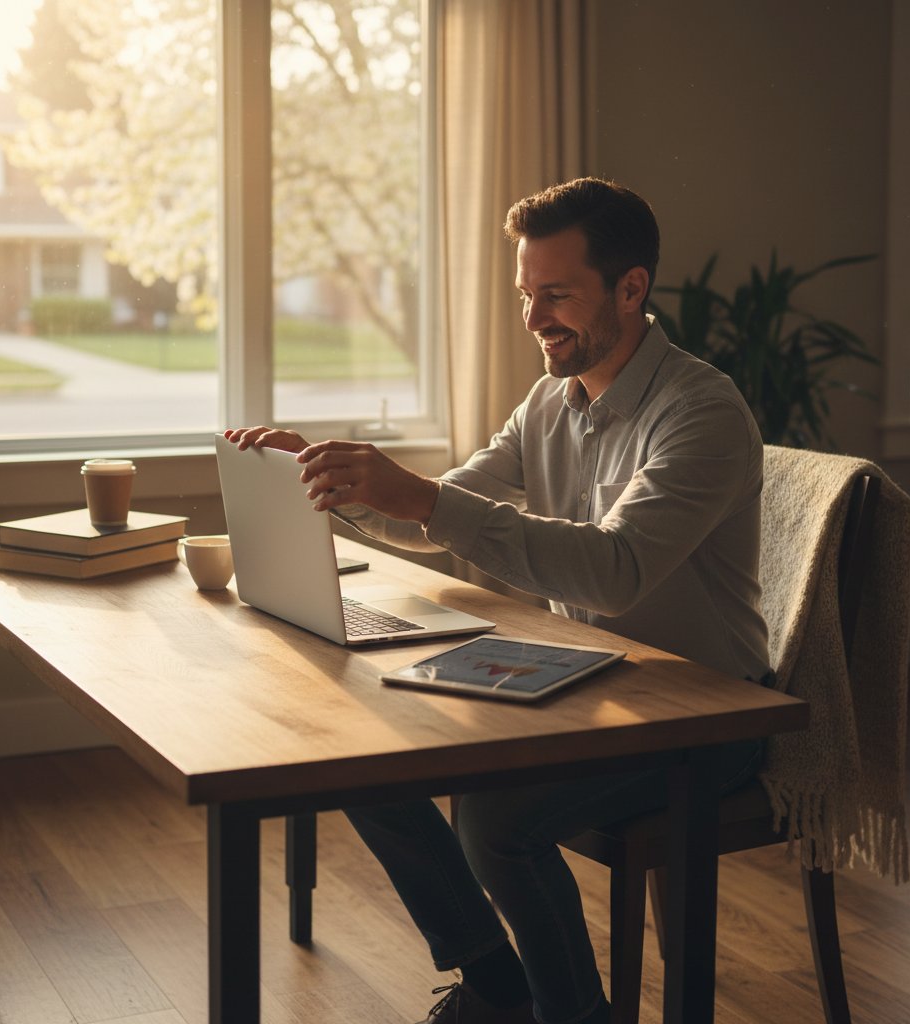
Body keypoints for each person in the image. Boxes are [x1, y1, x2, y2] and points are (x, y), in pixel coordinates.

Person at [226, 177, 770, 1024]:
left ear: (632, 289)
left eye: (556, 294)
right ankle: (496, 983)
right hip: (590, 681)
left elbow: (615, 571)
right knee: (365, 758)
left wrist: (423, 500)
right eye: (526, 293)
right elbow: (440, 515)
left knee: (495, 818)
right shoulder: (550, 402)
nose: (532, 318)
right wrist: (334, 480)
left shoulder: (702, 412)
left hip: (704, 711)